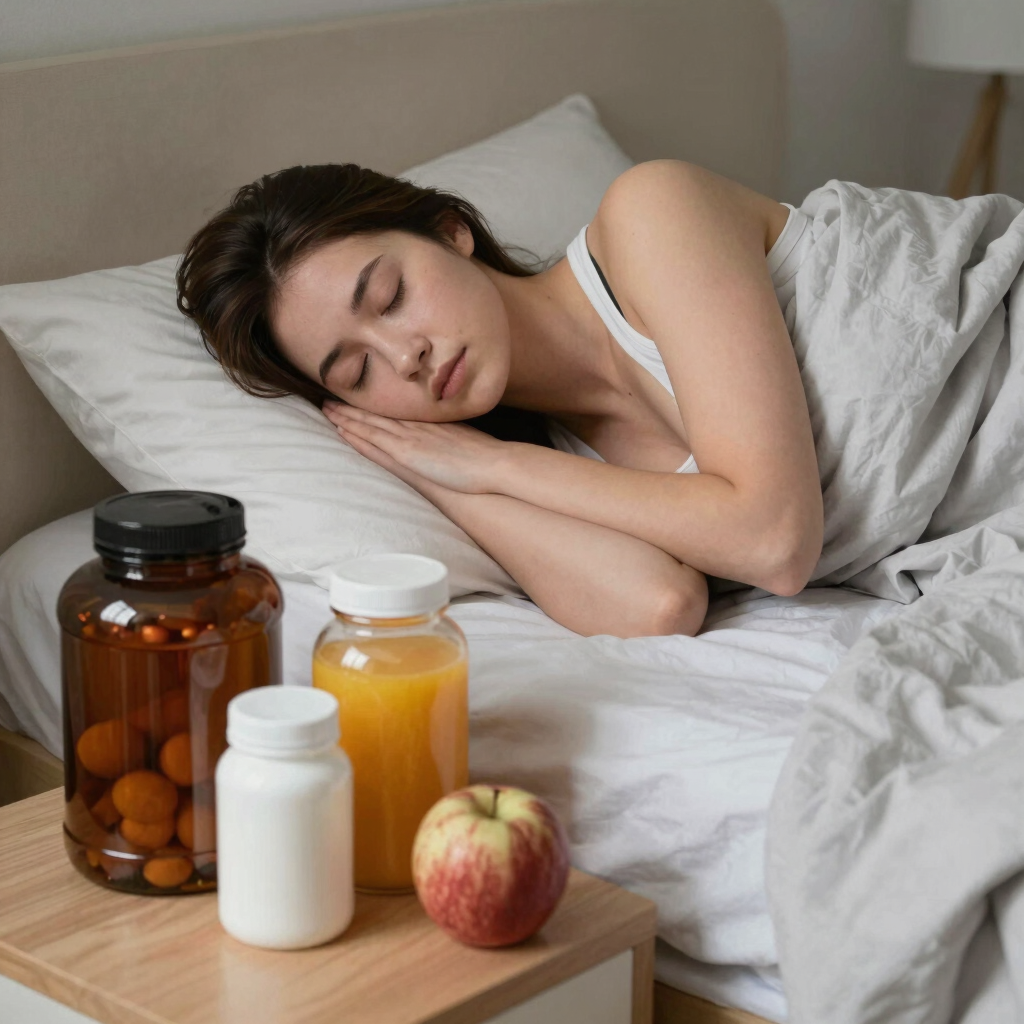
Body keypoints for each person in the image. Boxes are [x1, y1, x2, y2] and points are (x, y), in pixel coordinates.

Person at [176, 160, 825, 639]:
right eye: (355, 370)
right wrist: (438, 475)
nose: (406, 358)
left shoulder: (651, 213)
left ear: (449, 230)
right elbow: (659, 605)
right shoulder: (557, 464)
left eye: (391, 298)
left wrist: (499, 467)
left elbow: (775, 542)